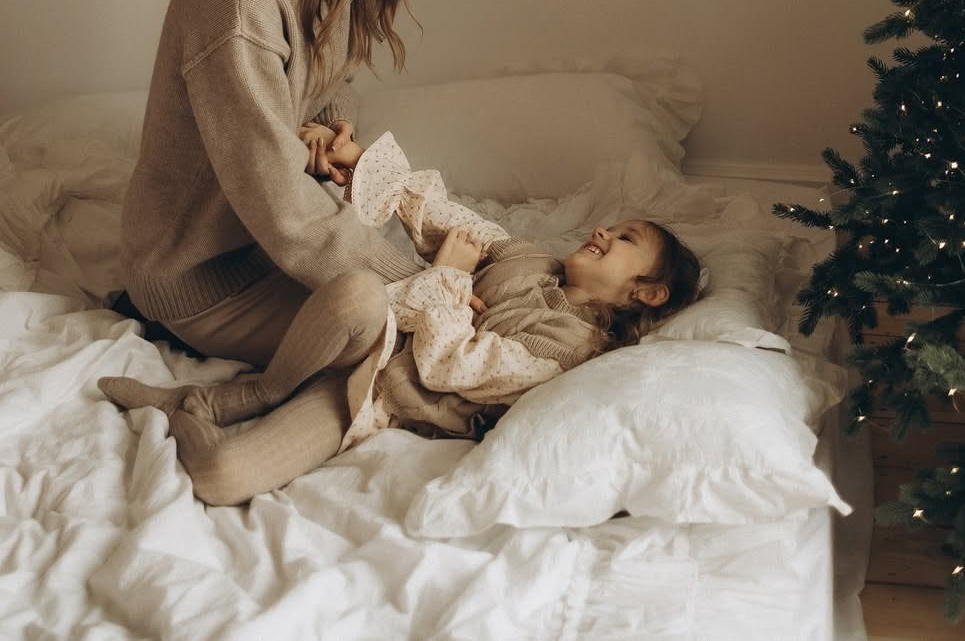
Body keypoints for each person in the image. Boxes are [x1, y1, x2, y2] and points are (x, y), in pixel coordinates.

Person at [100, 133, 701, 506]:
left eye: (622, 239)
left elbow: (450, 367)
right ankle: (243, 395)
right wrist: (357, 158)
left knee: (219, 478)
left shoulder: (567, 351)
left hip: (372, 398)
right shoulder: (528, 258)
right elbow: (442, 214)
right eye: (609, 226)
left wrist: (448, 276)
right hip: (357, 337)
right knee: (359, 291)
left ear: (646, 293)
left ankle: (193, 408)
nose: (601, 232)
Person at [116, 0, 440, 368]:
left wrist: (325, 129)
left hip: (265, 249)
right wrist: (412, 281)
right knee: (415, 345)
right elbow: (277, 198)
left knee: (434, 327)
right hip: (204, 280)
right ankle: (234, 443)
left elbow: (307, 90)